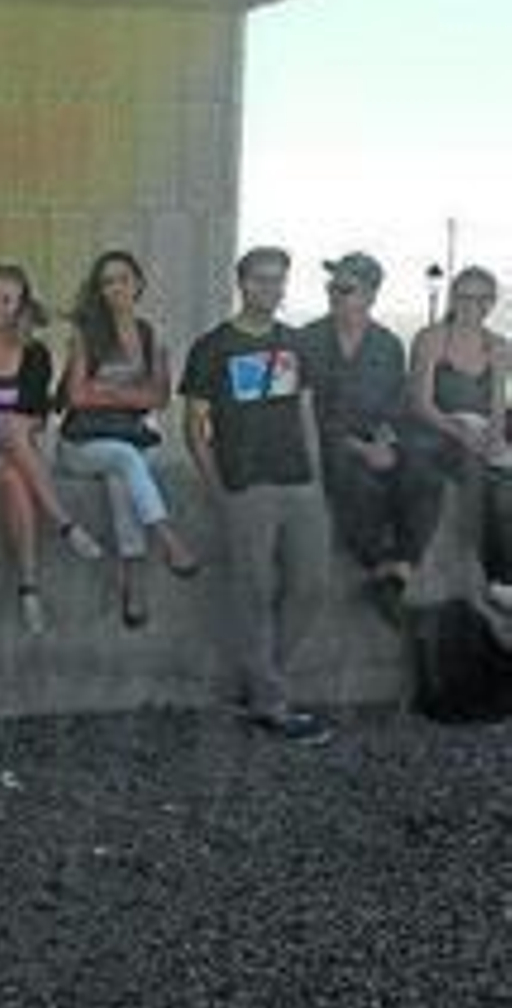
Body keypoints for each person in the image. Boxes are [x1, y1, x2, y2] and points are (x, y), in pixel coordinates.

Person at [181, 247, 332, 743]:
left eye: (278, 280)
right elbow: (194, 426)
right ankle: (272, 704)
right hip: (245, 485)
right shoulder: (213, 347)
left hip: (299, 482)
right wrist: (217, 488)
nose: (271, 288)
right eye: (261, 279)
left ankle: (262, 680)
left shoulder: (296, 342)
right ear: (242, 283)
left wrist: (315, 476)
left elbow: (305, 411)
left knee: (310, 586)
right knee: (254, 591)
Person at [0, 263, 103, 636]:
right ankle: (64, 523)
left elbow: (39, 418)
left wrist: (7, 423)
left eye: (6, 299)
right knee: (10, 427)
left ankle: (29, 588)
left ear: (20, 306)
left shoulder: (35, 353)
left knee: (12, 478)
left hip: (11, 452)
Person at [57, 250, 198, 629]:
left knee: (122, 474)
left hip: (131, 441)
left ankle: (132, 581)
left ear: (137, 284)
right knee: (123, 458)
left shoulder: (151, 334)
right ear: (99, 291)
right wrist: (130, 395)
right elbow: (77, 397)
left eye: (122, 279)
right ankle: (166, 537)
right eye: (107, 282)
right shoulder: (86, 333)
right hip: (81, 444)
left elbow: (160, 398)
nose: (115, 288)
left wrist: (107, 390)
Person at [299, 252, 438, 618]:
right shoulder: (306, 340)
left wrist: (386, 443)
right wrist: (362, 449)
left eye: (345, 288)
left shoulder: (388, 344)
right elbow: (306, 413)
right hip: (326, 442)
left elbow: (396, 404)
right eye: (332, 286)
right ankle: (378, 565)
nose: (334, 294)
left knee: (425, 468)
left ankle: (404, 563)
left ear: (370, 296)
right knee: (357, 481)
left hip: (374, 437)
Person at [405, 264, 512, 603]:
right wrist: (460, 433)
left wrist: (494, 437)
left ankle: (502, 576)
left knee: (502, 475)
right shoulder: (432, 338)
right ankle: (492, 575)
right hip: (436, 427)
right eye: (466, 297)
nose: (473, 307)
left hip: (478, 429)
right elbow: (421, 403)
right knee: (474, 470)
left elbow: (496, 403)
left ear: (492, 302)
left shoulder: (498, 345)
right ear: (453, 298)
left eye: (482, 299)